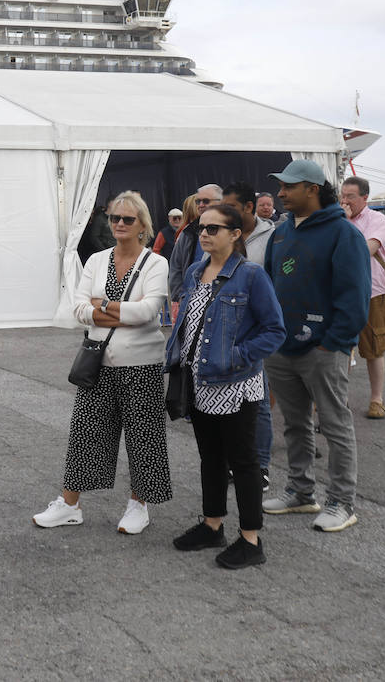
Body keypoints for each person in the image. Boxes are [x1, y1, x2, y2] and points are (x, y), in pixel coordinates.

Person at [34, 191, 172, 535]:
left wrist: (101, 306)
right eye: (114, 218)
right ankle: (69, 504)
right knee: (85, 434)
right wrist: (115, 311)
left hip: (142, 365)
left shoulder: (156, 263)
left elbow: (147, 312)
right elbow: (79, 309)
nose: (119, 224)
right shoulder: (96, 260)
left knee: (144, 437)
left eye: (128, 219)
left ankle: (139, 505)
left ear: (143, 225)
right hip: (99, 361)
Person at [166, 203, 285, 569]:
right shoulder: (194, 272)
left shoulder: (250, 275)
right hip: (198, 381)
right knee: (210, 458)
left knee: (244, 462)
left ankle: (251, 539)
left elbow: (274, 331)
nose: (204, 234)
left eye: (214, 229)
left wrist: (236, 356)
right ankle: (212, 523)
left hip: (235, 384)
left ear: (235, 234)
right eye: (202, 227)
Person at [260, 160, 370, 534]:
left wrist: (333, 345)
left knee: (335, 425)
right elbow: (272, 288)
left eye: (288, 187)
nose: (280, 193)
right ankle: (301, 492)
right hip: (282, 348)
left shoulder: (344, 234)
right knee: (294, 423)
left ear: (311, 188)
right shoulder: (280, 233)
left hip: (324, 350)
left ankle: (342, 501)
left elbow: (355, 299)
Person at [222, 181, 277, 489]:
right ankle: (236, 461)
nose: (224, 211)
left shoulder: (272, 237)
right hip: (226, 333)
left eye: (230, 206)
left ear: (248, 207)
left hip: (258, 332)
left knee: (259, 400)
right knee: (231, 400)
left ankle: (260, 465)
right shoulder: (222, 233)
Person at [340, 177, 385, 418]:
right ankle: (339, 400)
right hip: (340, 292)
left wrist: (344, 222)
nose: (345, 200)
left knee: (374, 347)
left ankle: (377, 399)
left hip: (373, 291)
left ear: (365, 197)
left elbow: (363, 250)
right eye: (342, 195)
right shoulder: (336, 219)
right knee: (339, 349)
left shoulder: (377, 220)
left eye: (350, 196)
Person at [168, 184, 223, 320]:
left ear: (221, 202)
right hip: (192, 303)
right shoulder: (187, 233)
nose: (200, 205)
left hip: (223, 304)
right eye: (198, 201)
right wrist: (181, 296)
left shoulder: (232, 230)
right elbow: (175, 266)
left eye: (206, 201)